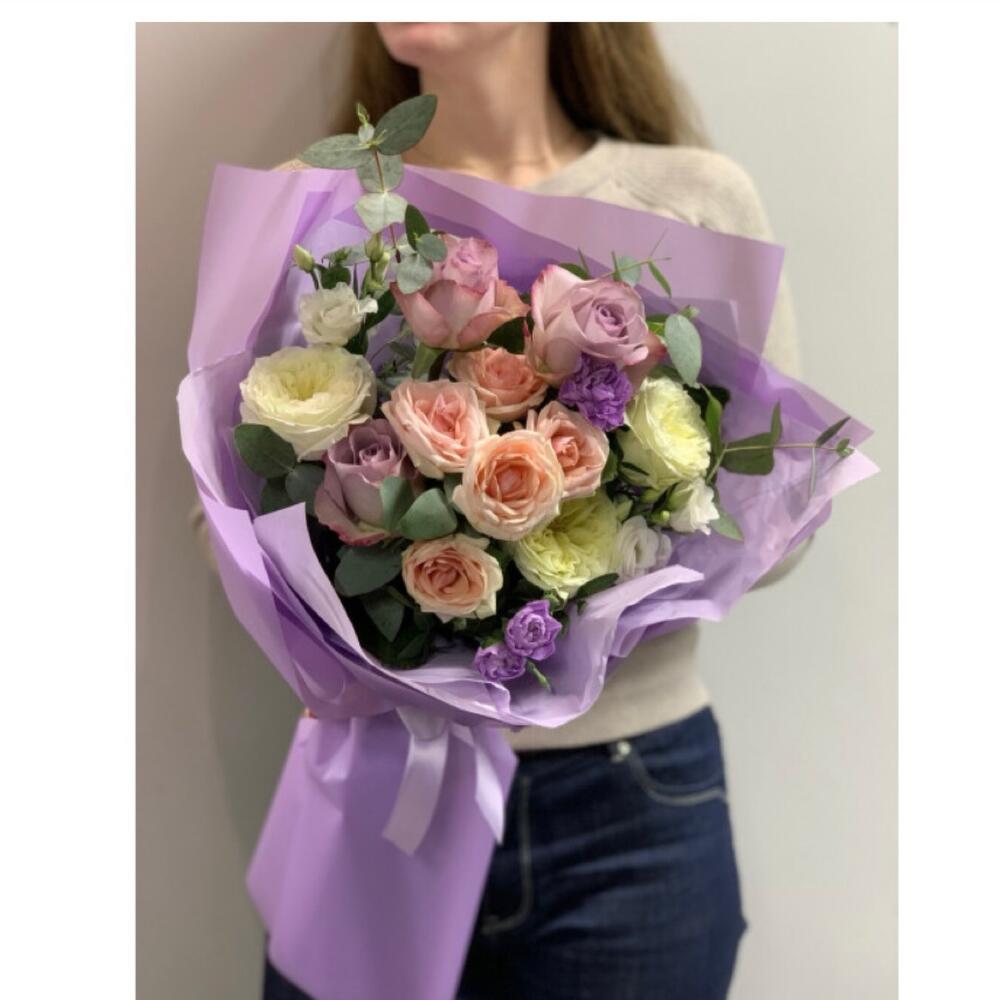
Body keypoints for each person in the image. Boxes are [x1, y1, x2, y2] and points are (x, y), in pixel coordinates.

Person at [256, 21, 805, 1000]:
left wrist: (589, 560)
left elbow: (776, 521)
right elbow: (234, 507)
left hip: (628, 807)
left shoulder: (692, 198)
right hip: (381, 788)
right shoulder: (313, 205)